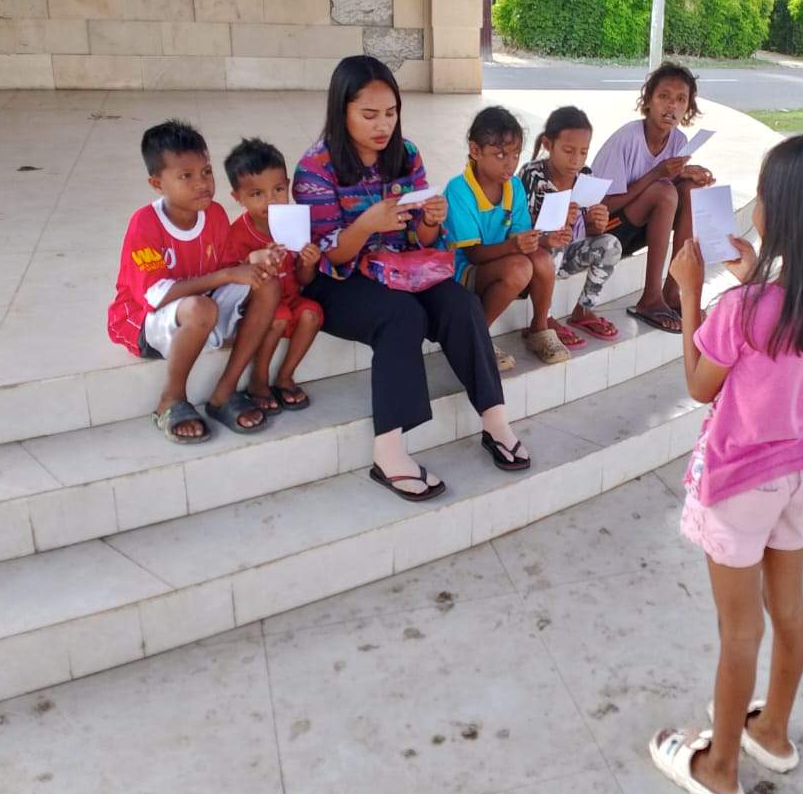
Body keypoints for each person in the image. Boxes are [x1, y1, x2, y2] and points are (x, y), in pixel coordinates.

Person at [647, 134, 803, 794]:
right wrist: (750, 280)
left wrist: (692, 292)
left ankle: (718, 767)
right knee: (789, 609)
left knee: (738, 629)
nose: (760, 204)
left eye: (767, 194)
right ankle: (771, 729)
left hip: (741, 482)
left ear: (786, 214)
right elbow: (786, 343)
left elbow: (698, 382)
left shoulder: (742, 311)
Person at [293, 56, 530, 500]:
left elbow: (420, 236)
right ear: (341, 111)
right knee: (400, 317)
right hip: (338, 279)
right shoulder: (315, 169)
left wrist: (431, 219)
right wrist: (366, 224)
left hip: (401, 267)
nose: (382, 125)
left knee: (460, 304)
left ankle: (495, 420)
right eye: (368, 115)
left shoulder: (407, 155)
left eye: (390, 113)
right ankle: (389, 452)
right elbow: (325, 253)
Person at [107, 120, 280, 443]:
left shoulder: (213, 214)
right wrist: (229, 275)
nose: (202, 183)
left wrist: (254, 261)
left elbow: (229, 266)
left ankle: (223, 393)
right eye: (186, 176)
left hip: (202, 307)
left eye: (206, 171)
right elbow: (157, 295)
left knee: (266, 283)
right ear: (157, 183)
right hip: (147, 320)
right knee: (200, 308)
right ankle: (171, 400)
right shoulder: (144, 223)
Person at [589, 62, 715, 335]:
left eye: (680, 100)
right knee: (664, 190)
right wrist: (660, 174)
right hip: (605, 230)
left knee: (690, 190)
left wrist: (689, 176)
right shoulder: (627, 138)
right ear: (648, 101)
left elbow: (671, 191)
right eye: (664, 97)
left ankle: (672, 291)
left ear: (688, 109)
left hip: (641, 227)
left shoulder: (678, 140)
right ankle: (650, 297)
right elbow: (603, 206)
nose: (671, 106)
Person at [445, 106, 570, 370]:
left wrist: (546, 240)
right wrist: (515, 246)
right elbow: (473, 254)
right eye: (500, 155)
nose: (510, 163)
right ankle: (477, 337)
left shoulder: (513, 186)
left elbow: (520, 235)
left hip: (502, 258)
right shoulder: (459, 190)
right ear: (475, 151)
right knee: (520, 267)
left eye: (515, 155)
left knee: (542, 259)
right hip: (462, 272)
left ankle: (539, 328)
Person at [223, 137, 324, 413]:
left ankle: (285, 376)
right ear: (238, 198)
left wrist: (307, 263)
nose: (271, 200)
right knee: (279, 318)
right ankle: (258, 379)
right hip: (259, 310)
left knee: (311, 313)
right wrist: (256, 261)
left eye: (278, 189)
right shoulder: (239, 233)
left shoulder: (295, 225)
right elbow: (232, 283)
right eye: (257, 194)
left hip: (292, 299)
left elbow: (305, 281)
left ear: (288, 186)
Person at [518, 106, 622, 345]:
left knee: (611, 244)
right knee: (557, 240)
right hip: (535, 257)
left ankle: (584, 310)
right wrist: (556, 221)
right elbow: (520, 229)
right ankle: (544, 318)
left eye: (583, 152)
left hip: (565, 255)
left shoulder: (585, 175)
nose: (576, 160)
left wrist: (598, 222)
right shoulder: (532, 175)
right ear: (548, 144)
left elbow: (592, 232)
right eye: (568, 151)